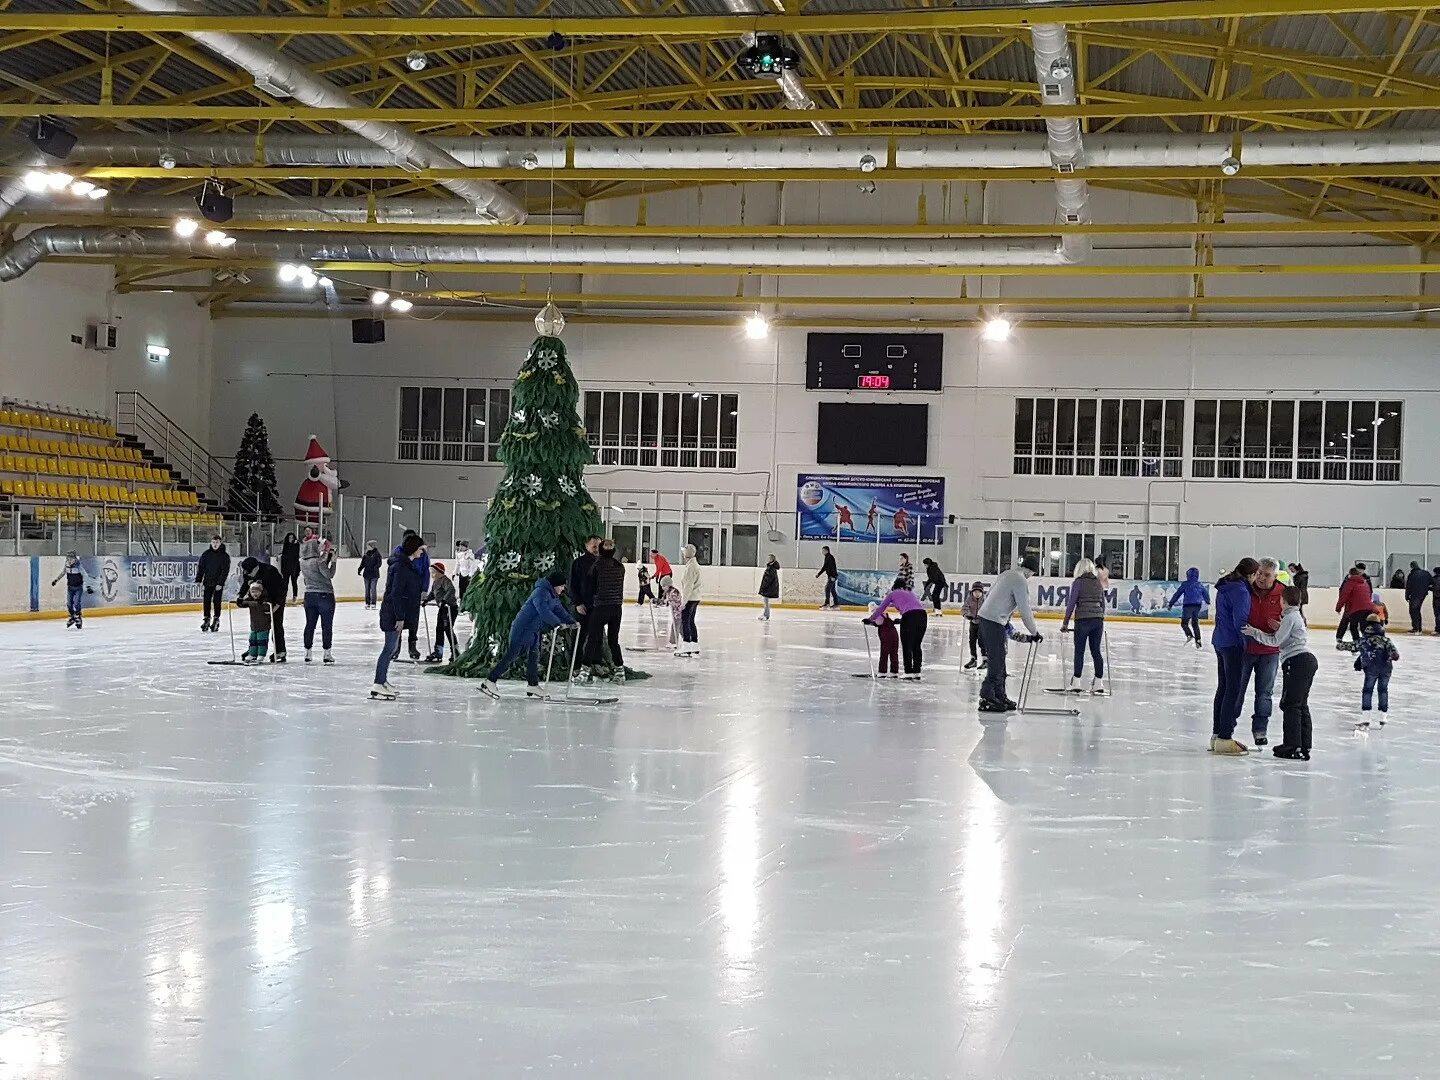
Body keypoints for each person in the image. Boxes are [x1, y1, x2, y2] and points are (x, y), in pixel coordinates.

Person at [1241, 585, 1315, 760]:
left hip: (1297, 662)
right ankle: (1303, 745)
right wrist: (1280, 626)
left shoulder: (1290, 617)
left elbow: (1275, 642)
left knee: (1291, 705)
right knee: (1300, 704)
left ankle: (1293, 745)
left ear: (1283, 600)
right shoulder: (1294, 616)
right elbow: (1286, 636)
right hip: (1305, 661)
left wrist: (1255, 632)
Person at [481, 572, 577, 699]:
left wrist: (572, 621)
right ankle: (490, 681)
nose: (563, 588)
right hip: (522, 628)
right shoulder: (541, 593)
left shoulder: (553, 596)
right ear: (554, 585)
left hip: (533, 630)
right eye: (561, 586)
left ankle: (533, 684)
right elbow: (543, 610)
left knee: (534, 656)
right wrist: (557, 623)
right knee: (512, 655)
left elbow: (559, 610)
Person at [1208, 557, 1260, 755]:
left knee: (1223, 689)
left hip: (1220, 640)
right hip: (1232, 644)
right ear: (1252, 574)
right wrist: (1250, 641)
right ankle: (1225, 737)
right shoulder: (1240, 590)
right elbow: (1240, 621)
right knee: (1233, 691)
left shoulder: (1226, 586)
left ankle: (1217, 735)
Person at [977, 557, 1042, 712]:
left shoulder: (1007, 574)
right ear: (1031, 571)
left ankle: (999, 695)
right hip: (994, 621)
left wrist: (1004, 621)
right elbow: (1025, 610)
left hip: (988, 619)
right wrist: (1035, 632)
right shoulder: (1020, 580)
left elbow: (990, 595)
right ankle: (988, 695)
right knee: (997, 660)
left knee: (999, 660)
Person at [1236, 557, 1285, 747]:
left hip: (1270, 651)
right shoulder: (1245, 589)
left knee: (1264, 693)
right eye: (1260, 574)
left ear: (1275, 576)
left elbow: (1296, 620)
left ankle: (1260, 730)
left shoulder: (1283, 593)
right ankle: (1228, 727)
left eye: (1267, 575)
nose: (1262, 578)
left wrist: (1283, 626)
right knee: (1237, 690)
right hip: (1245, 649)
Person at [371, 534, 424, 700]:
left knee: (391, 648)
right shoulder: (401, 566)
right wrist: (400, 617)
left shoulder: (404, 564)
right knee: (389, 648)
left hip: (395, 612)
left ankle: (383, 680)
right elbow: (396, 593)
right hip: (392, 614)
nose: (423, 552)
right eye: (421, 548)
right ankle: (378, 683)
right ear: (414, 548)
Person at [580, 539, 626, 683]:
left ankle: (584, 671)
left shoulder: (597, 566)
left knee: (592, 639)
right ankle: (620, 670)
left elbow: (591, 587)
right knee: (613, 641)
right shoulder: (620, 566)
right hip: (616, 608)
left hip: (600, 607)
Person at [1060, 558, 1107, 695]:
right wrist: (1100, 617)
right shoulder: (1098, 583)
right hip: (1097, 621)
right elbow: (1103, 604)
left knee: (1079, 651)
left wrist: (1065, 623)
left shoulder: (1078, 583)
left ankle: (1076, 681)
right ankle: (1098, 682)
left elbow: (1071, 604)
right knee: (1096, 651)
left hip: (1083, 620)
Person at [1343, 616, 1399, 729]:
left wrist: (1340, 645)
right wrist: (1392, 656)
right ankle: (1383, 717)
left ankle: (1366, 717)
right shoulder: (1386, 640)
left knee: (1367, 691)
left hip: (1371, 669)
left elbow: (1352, 646)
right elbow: (1395, 654)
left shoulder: (1364, 640)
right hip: (1386, 669)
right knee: (1383, 690)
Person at [865, 577, 928, 679]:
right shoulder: (910, 592)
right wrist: (902, 619)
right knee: (916, 645)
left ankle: (908, 672)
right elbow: (913, 606)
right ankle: (917, 671)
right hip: (922, 616)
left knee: (907, 644)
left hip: (909, 616)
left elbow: (882, 608)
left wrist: (871, 619)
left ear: (894, 586)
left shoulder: (892, 594)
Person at [236, 556, 288, 661]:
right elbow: (246, 585)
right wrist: (240, 597)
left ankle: (280, 651)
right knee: (256, 625)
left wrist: (277, 605)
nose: (247, 574)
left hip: (274, 601)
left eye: (249, 572)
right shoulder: (248, 571)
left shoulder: (270, 572)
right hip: (258, 602)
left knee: (276, 624)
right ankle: (254, 650)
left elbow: (281, 589)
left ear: (255, 568)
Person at [391, 530, 430, 659]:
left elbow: (426, 572)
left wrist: (424, 589)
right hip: (403, 592)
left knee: (413, 620)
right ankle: (396, 646)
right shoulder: (399, 554)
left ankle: (412, 646)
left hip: (415, 591)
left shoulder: (422, 554)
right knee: (399, 619)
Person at [299, 532, 337, 664]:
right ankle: (327, 653)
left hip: (309, 595)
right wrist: (333, 562)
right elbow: (329, 574)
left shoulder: (302, 562)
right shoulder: (319, 561)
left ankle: (307, 652)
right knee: (326, 625)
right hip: (325, 595)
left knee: (310, 624)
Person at [567, 535, 601, 665]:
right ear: (587, 546)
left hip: (598, 608)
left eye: (598, 546)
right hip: (582, 607)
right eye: (594, 546)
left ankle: (595, 664)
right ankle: (574, 665)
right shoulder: (578, 563)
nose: (596, 548)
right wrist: (578, 603)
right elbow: (571, 586)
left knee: (597, 637)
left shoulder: (603, 563)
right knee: (579, 637)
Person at [422, 562, 460, 663]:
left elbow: (451, 590)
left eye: (433, 572)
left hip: (450, 608)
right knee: (439, 629)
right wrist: (426, 600)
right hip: (442, 609)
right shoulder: (435, 582)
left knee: (447, 628)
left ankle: (455, 651)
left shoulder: (445, 580)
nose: (432, 574)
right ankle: (438, 652)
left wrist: (444, 600)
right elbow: (432, 593)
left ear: (439, 572)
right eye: (431, 572)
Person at [1167, 567, 1210, 648]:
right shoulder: (1200, 585)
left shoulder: (1185, 584)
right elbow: (1205, 594)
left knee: (1184, 623)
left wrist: (1171, 604)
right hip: (1197, 606)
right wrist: (1207, 601)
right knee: (1195, 623)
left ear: (1188, 575)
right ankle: (1198, 640)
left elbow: (1177, 594)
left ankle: (1189, 635)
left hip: (1188, 606)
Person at [195, 535, 230, 632]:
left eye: (217, 542)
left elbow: (225, 571)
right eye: (213, 542)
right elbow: (201, 567)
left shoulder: (224, 556)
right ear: (211, 543)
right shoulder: (206, 554)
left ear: (220, 543)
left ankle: (216, 619)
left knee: (216, 601)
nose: (215, 544)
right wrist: (198, 579)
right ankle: (206, 618)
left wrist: (220, 583)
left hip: (218, 583)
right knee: (206, 601)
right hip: (207, 581)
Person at [237, 581, 275, 664]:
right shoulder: (250, 600)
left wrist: (263, 604)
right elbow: (244, 604)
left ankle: (261, 654)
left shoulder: (265, 600)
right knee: (252, 640)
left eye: (257, 592)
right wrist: (239, 602)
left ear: (261, 592)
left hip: (264, 625)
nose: (255, 594)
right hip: (254, 625)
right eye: (253, 592)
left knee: (261, 641)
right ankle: (252, 654)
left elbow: (268, 608)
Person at [51, 552, 89, 629]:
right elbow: (63, 573)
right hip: (70, 588)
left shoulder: (78, 566)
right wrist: (56, 580)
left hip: (78, 587)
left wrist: (88, 587)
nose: (69, 560)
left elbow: (85, 575)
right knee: (69, 604)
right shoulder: (67, 565)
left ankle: (78, 616)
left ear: (75, 558)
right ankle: (72, 616)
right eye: (68, 558)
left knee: (76, 603)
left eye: (71, 558)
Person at [1335, 566, 1372, 646]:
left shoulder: (1350, 582)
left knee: (1353, 626)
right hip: (1368, 608)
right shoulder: (1365, 582)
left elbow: (1343, 596)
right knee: (1364, 627)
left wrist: (1338, 608)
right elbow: (1369, 594)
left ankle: (1357, 643)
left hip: (1356, 609)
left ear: (1350, 574)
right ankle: (1368, 642)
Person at [677, 544, 703, 655]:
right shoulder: (693, 565)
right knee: (691, 621)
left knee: (685, 621)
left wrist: (684, 602)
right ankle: (694, 644)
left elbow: (688, 586)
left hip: (690, 598)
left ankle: (687, 644)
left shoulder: (691, 567)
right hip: (695, 597)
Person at [867, 601, 900, 678]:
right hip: (894, 634)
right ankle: (894, 672)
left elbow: (878, 623)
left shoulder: (878, 615)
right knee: (894, 653)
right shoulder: (885, 614)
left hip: (886, 636)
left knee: (884, 653)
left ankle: (882, 672)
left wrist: (869, 622)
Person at [961, 582, 987, 671]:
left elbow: (989, 609)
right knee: (972, 641)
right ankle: (973, 659)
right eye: (975, 591)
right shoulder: (969, 599)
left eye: (979, 592)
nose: (977, 593)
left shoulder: (985, 600)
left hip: (982, 623)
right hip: (973, 622)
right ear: (972, 592)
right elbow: (964, 608)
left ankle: (985, 659)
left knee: (981, 641)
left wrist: (984, 616)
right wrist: (967, 614)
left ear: (982, 592)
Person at [1404, 561, 1433, 634]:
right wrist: (1425, 588)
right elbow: (1431, 583)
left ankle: (1416, 629)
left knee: (1413, 611)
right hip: (1422, 594)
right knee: (1417, 610)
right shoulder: (1426, 573)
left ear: (1412, 567)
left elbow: (1408, 586)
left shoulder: (1412, 574)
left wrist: (1407, 596)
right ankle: (1418, 629)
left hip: (1414, 595)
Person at [359, 540, 382, 609]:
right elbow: (362, 563)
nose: (367, 547)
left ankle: (373, 603)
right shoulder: (366, 555)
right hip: (366, 574)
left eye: (368, 545)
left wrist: (375, 568)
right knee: (367, 589)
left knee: (373, 589)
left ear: (372, 546)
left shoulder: (377, 554)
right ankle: (367, 603)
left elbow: (379, 563)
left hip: (374, 575)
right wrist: (359, 569)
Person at [454, 540, 478, 607]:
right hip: (461, 574)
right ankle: (462, 605)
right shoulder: (459, 554)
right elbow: (457, 564)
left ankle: (467, 605)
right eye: (460, 546)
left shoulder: (470, 554)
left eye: (462, 546)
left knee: (467, 590)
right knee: (461, 590)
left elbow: (472, 566)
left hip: (468, 575)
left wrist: (470, 575)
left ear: (466, 547)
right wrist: (455, 572)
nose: (460, 547)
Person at [758, 554, 780, 621]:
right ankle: (765, 614)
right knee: (765, 602)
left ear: (772, 559)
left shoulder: (771, 568)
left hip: (768, 588)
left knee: (766, 602)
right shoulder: (771, 567)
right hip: (768, 588)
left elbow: (768, 579)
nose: (768, 559)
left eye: (769, 558)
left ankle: (766, 615)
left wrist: (763, 588)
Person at [280, 532, 301, 600]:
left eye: (292, 537)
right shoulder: (286, 545)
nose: (291, 539)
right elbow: (284, 556)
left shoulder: (296, 545)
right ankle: (284, 597)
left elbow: (295, 555)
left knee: (294, 582)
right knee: (285, 583)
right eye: (289, 537)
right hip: (286, 568)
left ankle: (295, 595)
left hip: (294, 568)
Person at [816, 545, 839, 609]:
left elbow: (833, 567)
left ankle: (827, 604)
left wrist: (833, 576)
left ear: (827, 551)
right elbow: (825, 567)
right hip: (831, 576)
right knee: (832, 590)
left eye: (823, 551)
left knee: (827, 589)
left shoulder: (830, 557)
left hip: (832, 576)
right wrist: (819, 574)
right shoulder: (827, 557)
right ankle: (836, 604)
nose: (822, 552)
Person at [1432, 568, 1440, 637]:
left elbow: (1436, 589)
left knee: (1437, 615)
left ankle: (1438, 630)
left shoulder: (1436, 579)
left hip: (1437, 599)